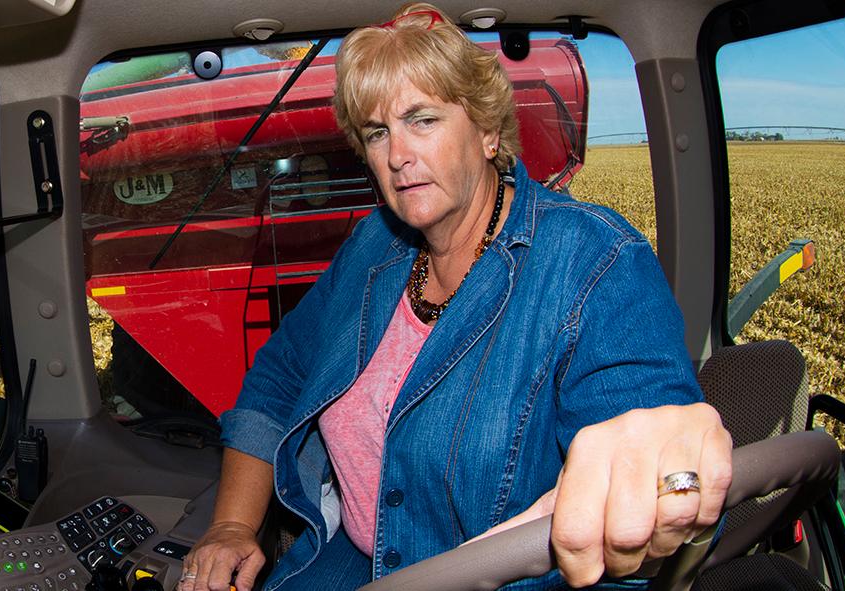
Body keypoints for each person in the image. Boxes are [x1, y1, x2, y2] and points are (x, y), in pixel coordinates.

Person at [179, 4, 732, 590]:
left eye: (422, 120)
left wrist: (667, 473)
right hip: (341, 562)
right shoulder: (374, 246)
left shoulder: (593, 262)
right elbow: (278, 377)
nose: (397, 155)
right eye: (377, 132)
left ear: (488, 131)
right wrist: (233, 525)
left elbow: (647, 467)